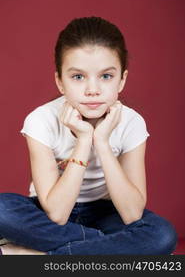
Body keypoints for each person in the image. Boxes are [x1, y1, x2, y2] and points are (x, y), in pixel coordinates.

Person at [0, 16, 177, 255]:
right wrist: (83, 140)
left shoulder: (132, 122)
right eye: (78, 77)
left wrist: (102, 142)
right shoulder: (40, 120)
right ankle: (106, 247)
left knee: (162, 235)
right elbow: (58, 213)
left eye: (106, 76)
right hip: (48, 218)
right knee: (2, 209)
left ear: (122, 80)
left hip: (107, 212)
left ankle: (32, 256)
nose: (92, 90)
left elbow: (132, 213)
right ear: (60, 82)